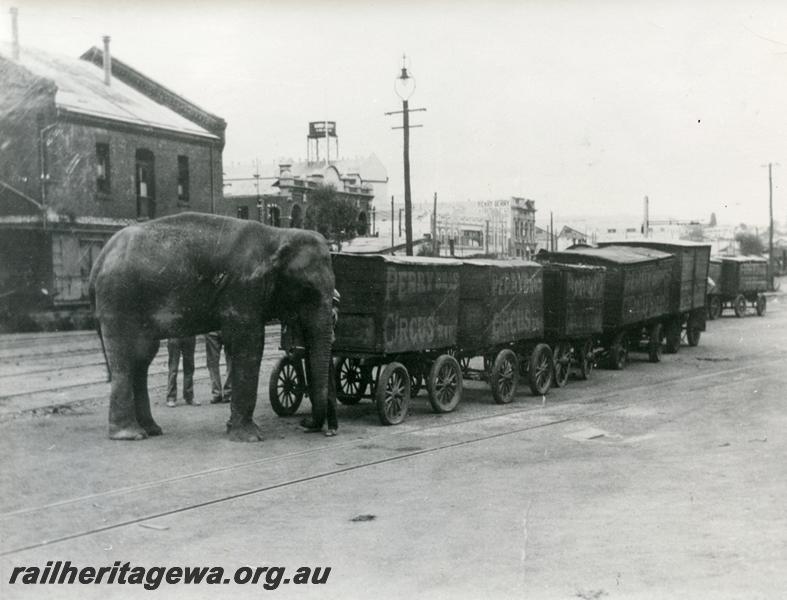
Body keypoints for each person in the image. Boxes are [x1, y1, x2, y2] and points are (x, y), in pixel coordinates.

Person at [301, 289, 341, 437]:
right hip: (310, 340)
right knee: (311, 381)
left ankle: (333, 424)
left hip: (322, 344)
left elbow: (336, 300)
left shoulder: (328, 290)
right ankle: (317, 421)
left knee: (326, 382)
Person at [166, 336, 198, 407]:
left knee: (189, 367)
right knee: (173, 368)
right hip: (174, 335)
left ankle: (189, 397)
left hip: (189, 335)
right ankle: (171, 397)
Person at [205, 331, 232, 404]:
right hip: (212, 329)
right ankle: (218, 393)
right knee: (212, 362)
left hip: (229, 328)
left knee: (232, 361)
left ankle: (228, 392)